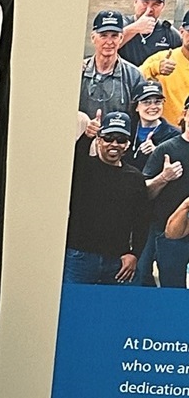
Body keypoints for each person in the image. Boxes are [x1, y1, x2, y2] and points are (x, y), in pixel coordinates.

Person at [63, 113, 149, 285]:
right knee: (75, 307)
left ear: (127, 144)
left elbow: (142, 220)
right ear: (99, 140)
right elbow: (71, 160)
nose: (114, 144)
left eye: (121, 139)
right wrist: (86, 137)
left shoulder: (135, 178)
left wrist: (135, 254)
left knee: (117, 309)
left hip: (117, 260)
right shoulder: (84, 168)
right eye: (109, 138)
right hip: (79, 256)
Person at [136, 104, 189, 287]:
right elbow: (144, 193)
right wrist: (163, 178)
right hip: (168, 234)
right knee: (172, 291)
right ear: (184, 114)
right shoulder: (166, 149)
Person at [79, 9, 147, 132]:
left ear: (121, 38)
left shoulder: (134, 76)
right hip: (80, 144)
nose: (109, 42)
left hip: (117, 145)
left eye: (114, 36)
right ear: (93, 38)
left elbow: (140, 118)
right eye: (103, 35)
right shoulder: (79, 72)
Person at [140, 12, 189, 126]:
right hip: (167, 136)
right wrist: (155, 68)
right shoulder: (163, 58)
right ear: (181, 32)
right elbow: (133, 78)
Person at [118, 0, 182, 66]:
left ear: (163, 7)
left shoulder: (169, 33)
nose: (149, 9)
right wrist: (135, 28)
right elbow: (106, 45)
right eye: (145, 3)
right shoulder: (122, 23)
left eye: (156, 4)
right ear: (135, 2)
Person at [127, 81, 178, 171]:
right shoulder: (127, 129)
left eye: (157, 102)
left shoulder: (174, 135)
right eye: (146, 102)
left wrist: (157, 152)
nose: (153, 107)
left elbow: (179, 165)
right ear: (136, 107)